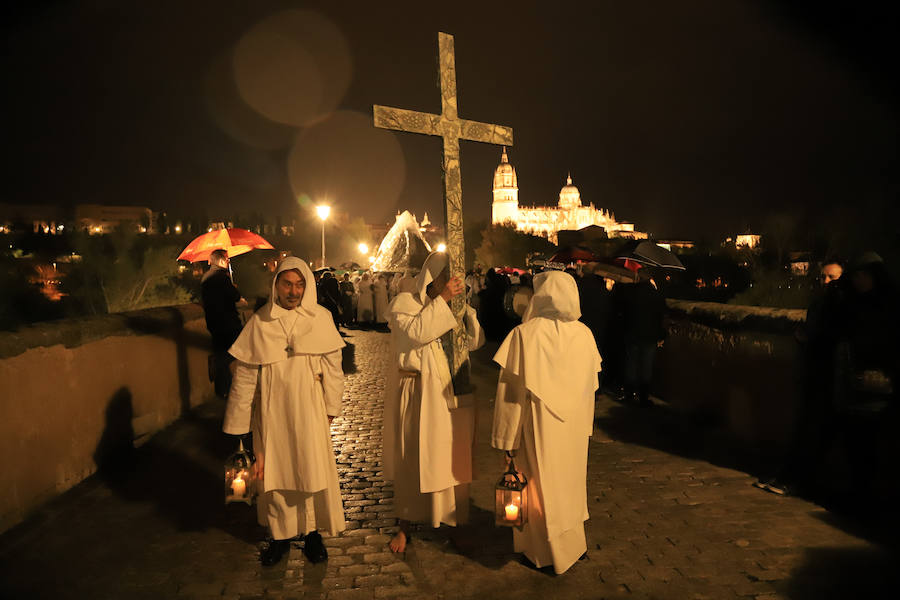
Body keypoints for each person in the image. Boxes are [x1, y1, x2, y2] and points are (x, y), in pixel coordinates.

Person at [224, 257, 346, 566]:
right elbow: (245, 376)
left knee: (311, 471)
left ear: (307, 286)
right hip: (271, 410)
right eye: (287, 284)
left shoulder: (321, 318)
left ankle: (312, 535)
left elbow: (334, 368)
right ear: (276, 285)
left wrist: (331, 408)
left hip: (310, 408)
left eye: (300, 285)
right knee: (274, 476)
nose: (293, 291)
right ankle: (279, 538)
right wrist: (239, 425)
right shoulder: (260, 322)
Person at [492, 271, 603, 574]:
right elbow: (590, 389)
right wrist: (586, 427)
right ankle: (573, 547)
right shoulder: (585, 335)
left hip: (538, 425)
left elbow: (510, 395)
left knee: (541, 488)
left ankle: (543, 554)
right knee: (570, 487)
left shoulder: (524, 335)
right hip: (573, 428)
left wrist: (507, 441)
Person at [383, 251, 484, 553]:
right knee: (411, 459)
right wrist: (443, 300)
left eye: (455, 277)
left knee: (451, 459)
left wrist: (464, 311)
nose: (452, 282)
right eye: (445, 277)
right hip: (415, 392)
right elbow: (418, 332)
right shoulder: (405, 303)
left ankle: (455, 522)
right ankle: (404, 525)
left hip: (448, 393)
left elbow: (475, 341)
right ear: (432, 277)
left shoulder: (453, 306)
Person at [756, 258, 847, 497]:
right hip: (814, 372)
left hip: (830, 376)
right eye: (823, 276)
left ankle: (797, 479)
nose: (826, 281)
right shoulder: (819, 303)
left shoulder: (842, 305)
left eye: (832, 277)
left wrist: (810, 339)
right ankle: (788, 475)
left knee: (815, 431)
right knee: (805, 428)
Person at [616, 272, 666, 407]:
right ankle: (643, 397)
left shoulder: (630, 292)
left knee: (631, 364)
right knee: (646, 367)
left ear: (638, 277)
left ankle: (629, 394)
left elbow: (624, 312)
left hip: (632, 333)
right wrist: (661, 336)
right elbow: (660, 317)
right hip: (649, 335)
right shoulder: (656, 294)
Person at [200, 249, 243, 398]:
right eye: (227, 259)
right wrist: (233, 287)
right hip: (228, 323)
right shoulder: (222, 278)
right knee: (239, 350)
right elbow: (235, 296)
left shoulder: (206, 279)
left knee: (221, 352)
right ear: (220, 260)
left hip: (213, 323)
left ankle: (223, 390)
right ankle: (222, 372)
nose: (228, 261)